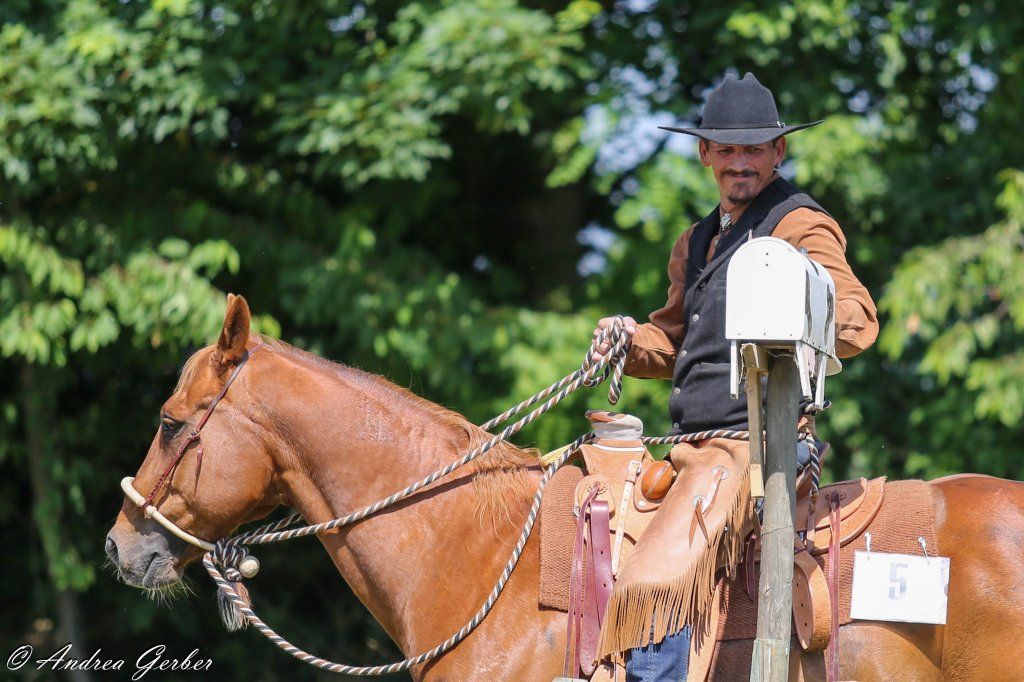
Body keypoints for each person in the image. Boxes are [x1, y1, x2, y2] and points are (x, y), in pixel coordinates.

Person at [590, 72, 879, 680]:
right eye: (726, 149)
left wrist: (801, 314)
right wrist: (625, 342)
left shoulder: (798, 225)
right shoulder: (694, 241)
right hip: (690, 447)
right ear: (705, 154)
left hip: (754, 446)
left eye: (754, 149)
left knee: (656, 583)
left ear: (779, 151)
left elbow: (858, 320)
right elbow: (672, 342)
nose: (740, 162)